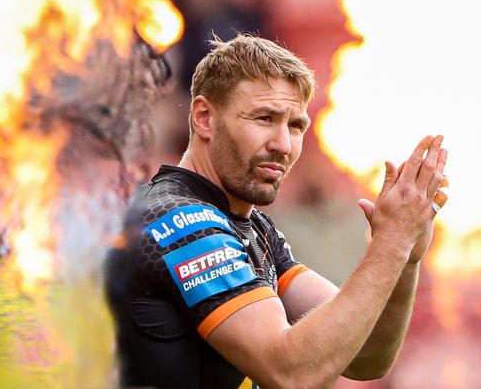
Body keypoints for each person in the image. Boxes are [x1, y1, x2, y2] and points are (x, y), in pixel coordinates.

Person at [104, 34, 448, 389]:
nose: (283, 145)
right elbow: (290, 373)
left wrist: (406, 254)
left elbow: (367, 356)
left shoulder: (254, 228)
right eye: (264, 119)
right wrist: (391, 242)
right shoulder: (178, 221)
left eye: (295, 126)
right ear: (205, 118)